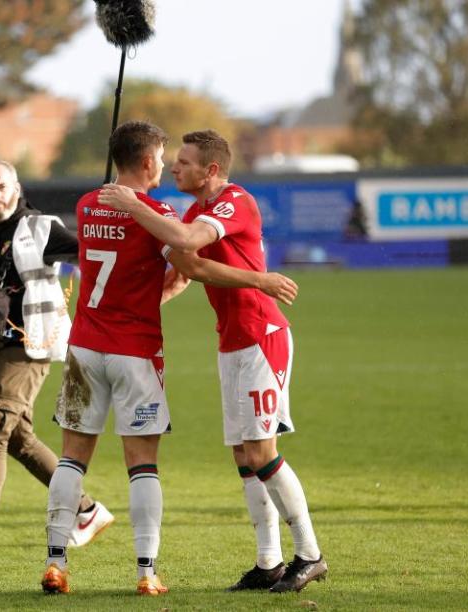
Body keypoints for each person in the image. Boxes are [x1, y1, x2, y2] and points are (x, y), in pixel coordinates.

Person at [42, 121, 299, 597]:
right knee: (142, 464)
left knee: (72, 458)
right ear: (145, 162)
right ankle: (146, 572)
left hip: (84, 346)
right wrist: (259, 279)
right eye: (162, 157)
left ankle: (55, 563)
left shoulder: (86, 203)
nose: (166, 165)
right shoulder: (156, 214)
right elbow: (189, 267)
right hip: (135, 351)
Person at [97, 128, 327, 593]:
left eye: (184, 162)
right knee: (244, 456)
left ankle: (310, 553)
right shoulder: (199, 209)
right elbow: (191, 270)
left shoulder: (233, 202)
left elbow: (183, 239)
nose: (175, 168)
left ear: (212, 170)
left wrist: (134, 204)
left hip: (263, 336)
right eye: (174, 160)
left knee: (262, 452)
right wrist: (132, 311)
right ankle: (269, 563)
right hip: (232, 342)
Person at [0, 159, 114, 554]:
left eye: (2, 187)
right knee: (17, 439)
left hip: (30, 343)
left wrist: (101, 226)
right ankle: (86, 511)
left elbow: (88, 250)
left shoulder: (39, 227)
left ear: (16, 188)